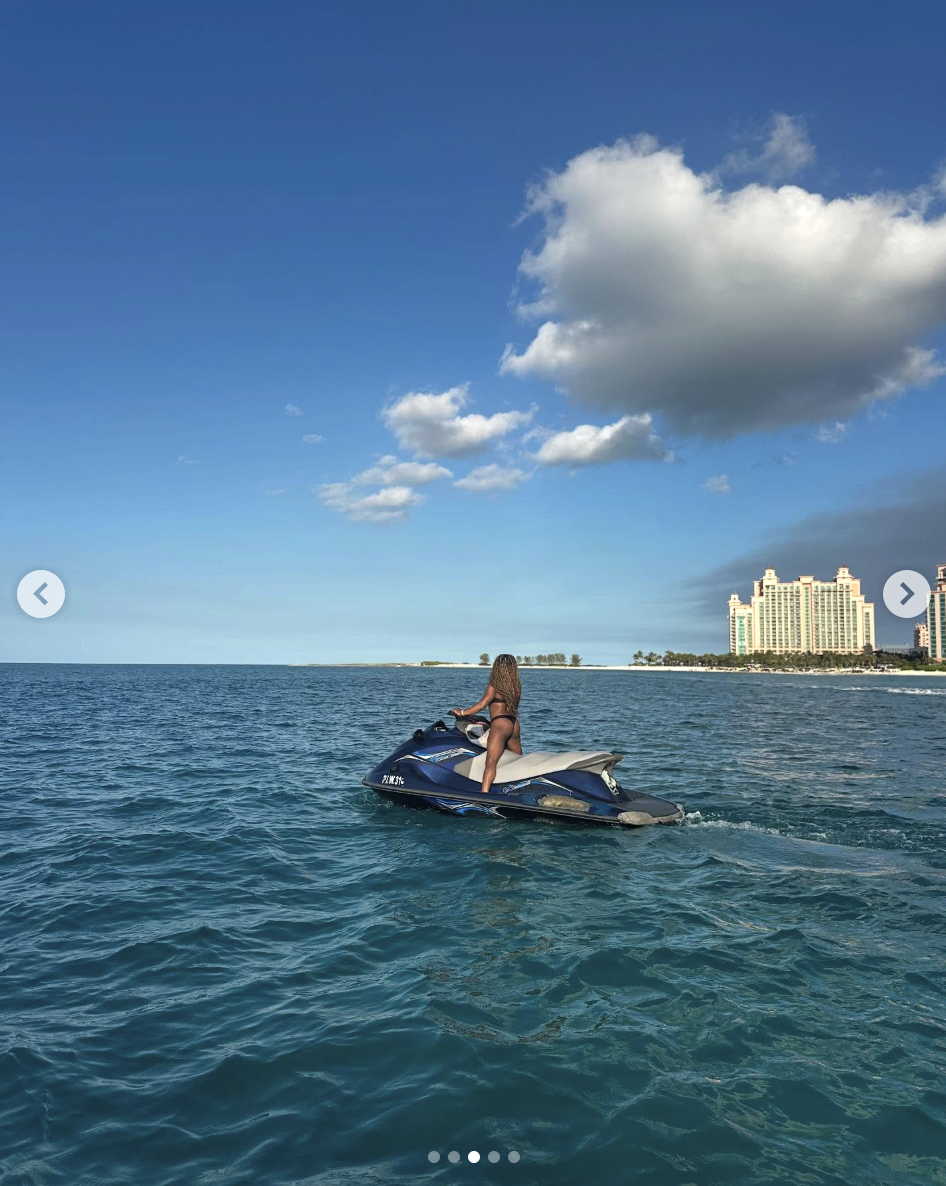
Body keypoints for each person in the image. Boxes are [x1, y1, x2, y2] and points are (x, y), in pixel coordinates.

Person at [451, 653, 522, 795]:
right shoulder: (516, 685)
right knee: (517, 760)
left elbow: (482, 704)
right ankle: (517, 790)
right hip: (514, 724)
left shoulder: (495, 684)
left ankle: (484, 794)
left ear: (498, 667)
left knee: (490, 762)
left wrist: (463, 713)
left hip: (500, 724)